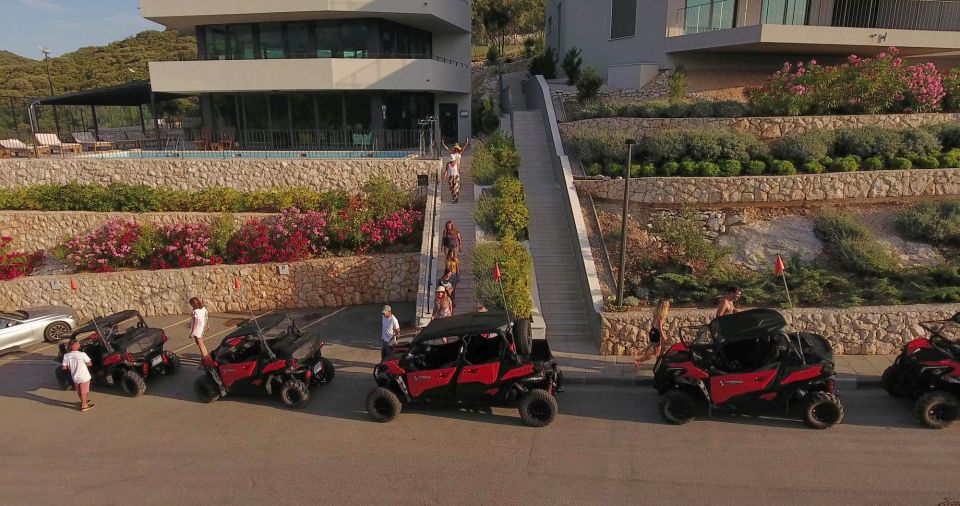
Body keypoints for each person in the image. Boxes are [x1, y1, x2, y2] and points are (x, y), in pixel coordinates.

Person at [634, 299, 670, 369]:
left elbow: (655, 325)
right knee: (656, 354)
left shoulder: (657, 313)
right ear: (664, 306)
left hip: (653, 332)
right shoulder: (661, 316)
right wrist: (663, 337)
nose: (669, 305)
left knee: (659, 352)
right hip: (656, 333)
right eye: (668, 304)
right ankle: (638, 361)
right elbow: (659, 328)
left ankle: (658, 366)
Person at [61, 339, 94, 412]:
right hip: (84, 375)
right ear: (75, 346)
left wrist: (71, 367)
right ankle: (84, 406)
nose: (79, 345)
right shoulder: (82, 354)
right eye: (78, 344)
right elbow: (89, 363)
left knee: (79, 390)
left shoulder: (66, 356)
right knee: (84, 391)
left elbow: (64, 367)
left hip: (75, 376)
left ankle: (84, 401)